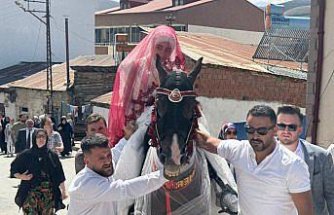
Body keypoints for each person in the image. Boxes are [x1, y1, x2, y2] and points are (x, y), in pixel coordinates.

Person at [196, 105, 313, 215]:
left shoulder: (293, 165)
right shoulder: (239, 151)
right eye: (250, 130)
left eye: (261, 131)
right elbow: (207, 142)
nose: (255, 136)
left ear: (275, 130)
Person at [108, 25, 186, 146]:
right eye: (159, 47)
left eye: (167, 49)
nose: (162, 53)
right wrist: (129, 124)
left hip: (167, 126)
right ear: (152, 46)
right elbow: (125, 100)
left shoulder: (177, 73)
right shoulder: (133, 67)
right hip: (138, 125)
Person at [68, 133, 167, 215]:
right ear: (86, 161)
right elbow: (126, 189)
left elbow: (118, 151)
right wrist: (165, 174)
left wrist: (129, 135)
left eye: (108, 155)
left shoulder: (102, 168)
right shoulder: (87, 185)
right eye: (101, 158)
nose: (107, 161)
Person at [276, 105, 334, 215]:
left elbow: (332, 196)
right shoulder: (263, 156)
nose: (286, 131)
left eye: (292, 127)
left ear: (300, 129)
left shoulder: (321, 157)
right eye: (282, 126)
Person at [10, 128, 67, 214]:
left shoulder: (52, 156)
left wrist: (64, 191)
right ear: (34, 138)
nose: (41, 139)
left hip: (48, 195)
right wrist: (22, 177)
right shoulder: (26, 155)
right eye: (38, 137)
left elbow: (59, 174)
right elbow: (13, 169)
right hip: (30, 193)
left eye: (43, 137)